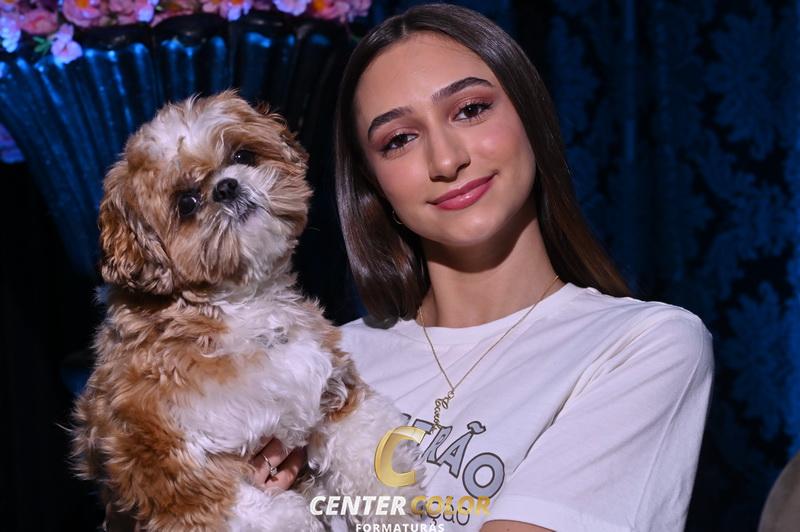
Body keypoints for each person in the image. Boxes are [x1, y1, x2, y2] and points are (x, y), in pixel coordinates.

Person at [113, 4, 713, 531]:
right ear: (373, 181)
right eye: (398, 140)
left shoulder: (639, 346)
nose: (446, 159)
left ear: (531, 114)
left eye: (470, 109)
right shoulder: (315, 357)